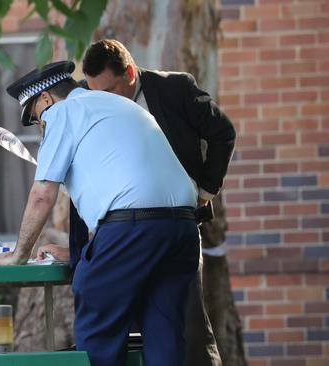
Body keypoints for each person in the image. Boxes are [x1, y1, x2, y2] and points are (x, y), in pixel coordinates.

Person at [38, 39, 236, 366]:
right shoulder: (91, 109)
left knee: (186, 326)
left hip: (178, 218)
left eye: (111, 90)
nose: (102, 99)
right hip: (126, 231)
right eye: (94, 91)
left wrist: (204, 192)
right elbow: (106, 187)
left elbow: (223, 133)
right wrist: (87, 246)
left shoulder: (175, 89)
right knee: (148, 324)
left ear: (130, 72)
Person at [0, 61, 200, 366]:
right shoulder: (116, 105)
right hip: (181, 228)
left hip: (132, 232)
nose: (41, 127)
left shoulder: (62, 113)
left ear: (47, 99)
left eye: (37, 117)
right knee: (164, 335)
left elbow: (41, 196)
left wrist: (19, 254)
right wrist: (89, 251)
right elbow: (124, 187)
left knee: (97, 333)